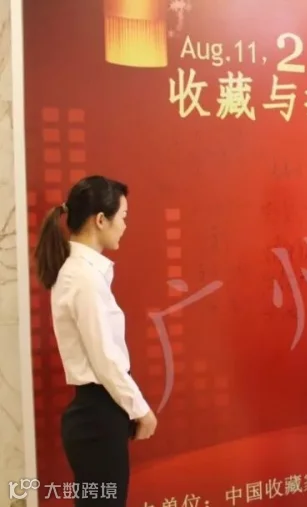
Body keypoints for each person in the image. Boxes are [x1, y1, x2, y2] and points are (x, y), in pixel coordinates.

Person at [34, 175, 157, 507]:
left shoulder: (80, 273)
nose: (125, 226)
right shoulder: (83, 278)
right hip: (98, 417)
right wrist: (141, 410)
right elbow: (105, 358)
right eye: (123, 217)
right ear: (101, 220)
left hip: (99, 416)